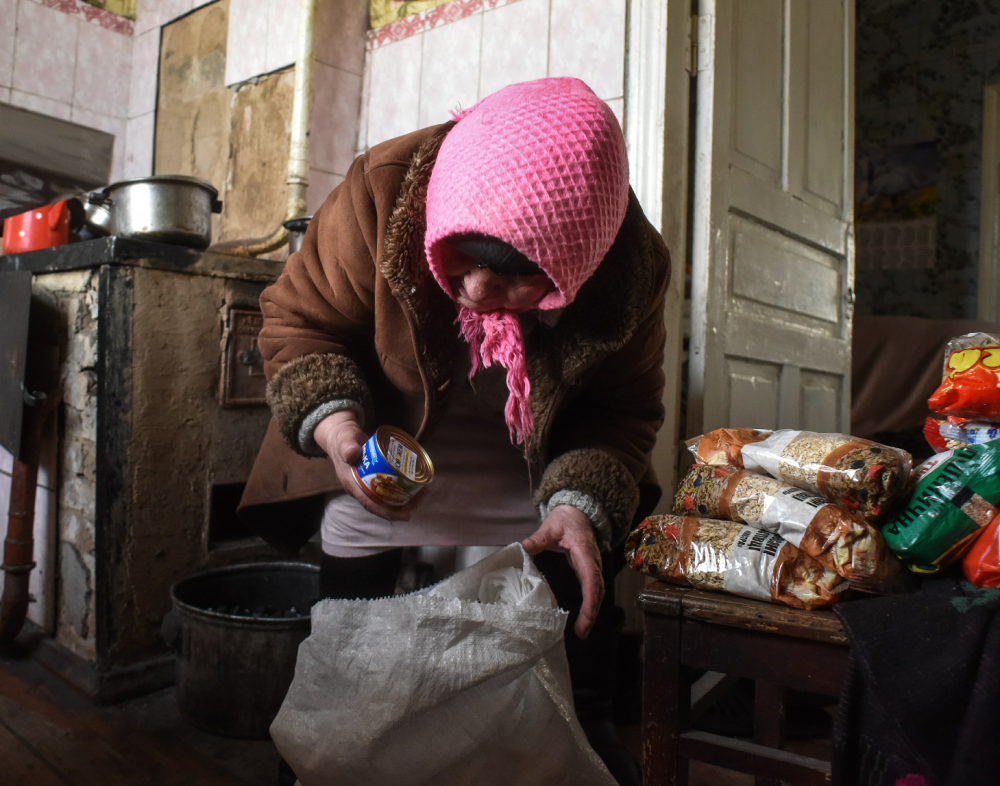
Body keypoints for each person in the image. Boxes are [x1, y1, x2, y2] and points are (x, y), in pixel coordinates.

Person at [241, 77, 670, 785]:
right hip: (384, 435)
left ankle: (578, 723)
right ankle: (334, 746)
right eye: (462, 260)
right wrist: (338, 429)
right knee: (355, 663)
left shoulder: (628, 269)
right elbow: (301, 324)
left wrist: (576, 504)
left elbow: (622, 414)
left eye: (510, 282)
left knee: (567, 594)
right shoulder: (385, 193)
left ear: (576, 267)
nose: (474, 292)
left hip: (534, 459)